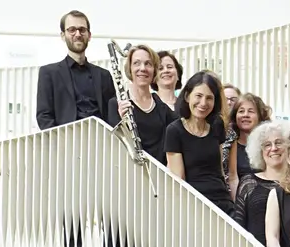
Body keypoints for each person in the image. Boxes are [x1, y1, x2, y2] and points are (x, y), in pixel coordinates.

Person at [35, 11, 120, 131]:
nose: (78, 34)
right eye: (72, 30)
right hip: (65, 143)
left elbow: (112, 116)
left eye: (82, 29)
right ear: (63, 35)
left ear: (89, 35)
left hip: (101, 143)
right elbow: (44, 117)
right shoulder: (48, 73)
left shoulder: (104, 75)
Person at [165, 71, 236, 215]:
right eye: (198, 96)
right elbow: (179, 181)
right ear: (187, 96)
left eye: (209, 98)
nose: (203, 103)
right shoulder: (174, 130)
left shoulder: (217, 125)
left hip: (222, 201)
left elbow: (220, 171)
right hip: (195, 205)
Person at [234, 120, 290, 247]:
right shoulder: (248, 183)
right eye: (267, 145)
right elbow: (239, 225)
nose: (274, 148)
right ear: (259, 151)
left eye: (278, 142)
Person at [113, 43, 172, 161]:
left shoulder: (161, 107)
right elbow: (114, 144)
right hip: (129, 172)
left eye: (148, 64)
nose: (143, 68)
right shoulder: (116, 104)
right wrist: (121, 121)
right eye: (136, 63)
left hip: (159, 173)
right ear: (129, 68)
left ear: (154, 70)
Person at [228, 92, 268, 178]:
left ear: (260, 116)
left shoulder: (268, 146)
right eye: (241, 111)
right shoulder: (228, 146)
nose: (245, 115)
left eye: (251, 111)